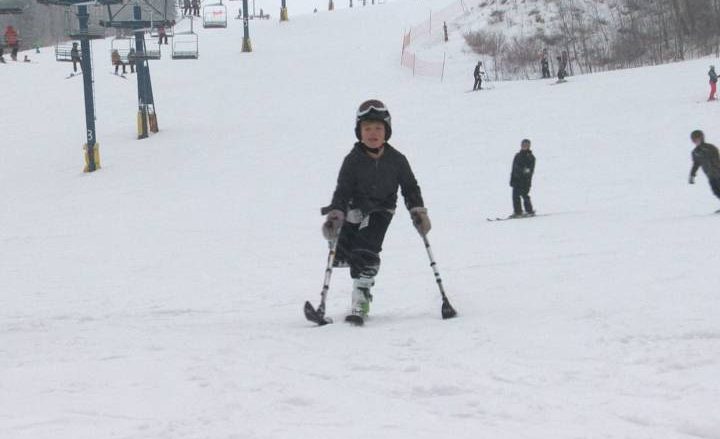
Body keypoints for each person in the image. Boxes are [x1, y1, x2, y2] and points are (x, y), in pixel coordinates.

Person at [322, 100, 430, 324]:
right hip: (355, 209)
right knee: (346, 253)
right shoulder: (352, 161)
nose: (373, 133)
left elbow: (410, 188)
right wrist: (335, 215)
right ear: (359, 132)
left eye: (378, 128)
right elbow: (342, 190)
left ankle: (361, 298)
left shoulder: (397, 160)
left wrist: (418, 211)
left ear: (387, 132)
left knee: (367, 252)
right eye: (367, 128)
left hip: (382, 209)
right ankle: (355, 273)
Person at [688, 130, 720, 209]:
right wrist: (692, 174)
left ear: (702, 138)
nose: (695, 141)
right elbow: (696, 164)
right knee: (716, 191)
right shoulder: (695, 152)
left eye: (697, 138)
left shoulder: (710, 148)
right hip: (710, 175)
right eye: (694, 139)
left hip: (718, 172)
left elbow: (717, 158)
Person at [509, 139, 536, 218]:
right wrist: (512, 179)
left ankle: (529, 211)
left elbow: (529, 170)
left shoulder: (531, 157)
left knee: (524, 195)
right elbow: (514, 168)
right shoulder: (517, 155)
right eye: (523, 145)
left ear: (529, 146)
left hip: (525, 181)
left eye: (526, 145)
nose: (524, 146)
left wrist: (524, 174)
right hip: (516, 180)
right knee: (515, 196)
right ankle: (518, 212)